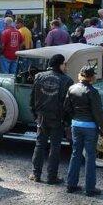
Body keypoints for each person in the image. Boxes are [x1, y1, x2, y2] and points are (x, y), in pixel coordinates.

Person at [30, 53, 72, 184]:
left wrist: (36, 116)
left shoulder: (38, 77)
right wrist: (67, 121)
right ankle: (51, 177)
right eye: (64, 64)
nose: (66, 66)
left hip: (42, 117)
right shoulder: (67, 81)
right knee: (55, 147)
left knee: (39, 145)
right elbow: (68, 104)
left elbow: (32, 99)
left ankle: (36, 174)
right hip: (57, 119)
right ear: (59, 64)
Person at [64, 64, 103, 196]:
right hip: (90, 127)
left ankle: (71, 184)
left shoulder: (72, 88)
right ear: (92, 77)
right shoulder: (93, 92)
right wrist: (102, 129)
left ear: (80, 75)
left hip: (76, 124)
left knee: (75, 154)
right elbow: (97, 113)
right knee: (90, 157)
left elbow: (67, 107)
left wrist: (73, 119)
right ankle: (90, 188)